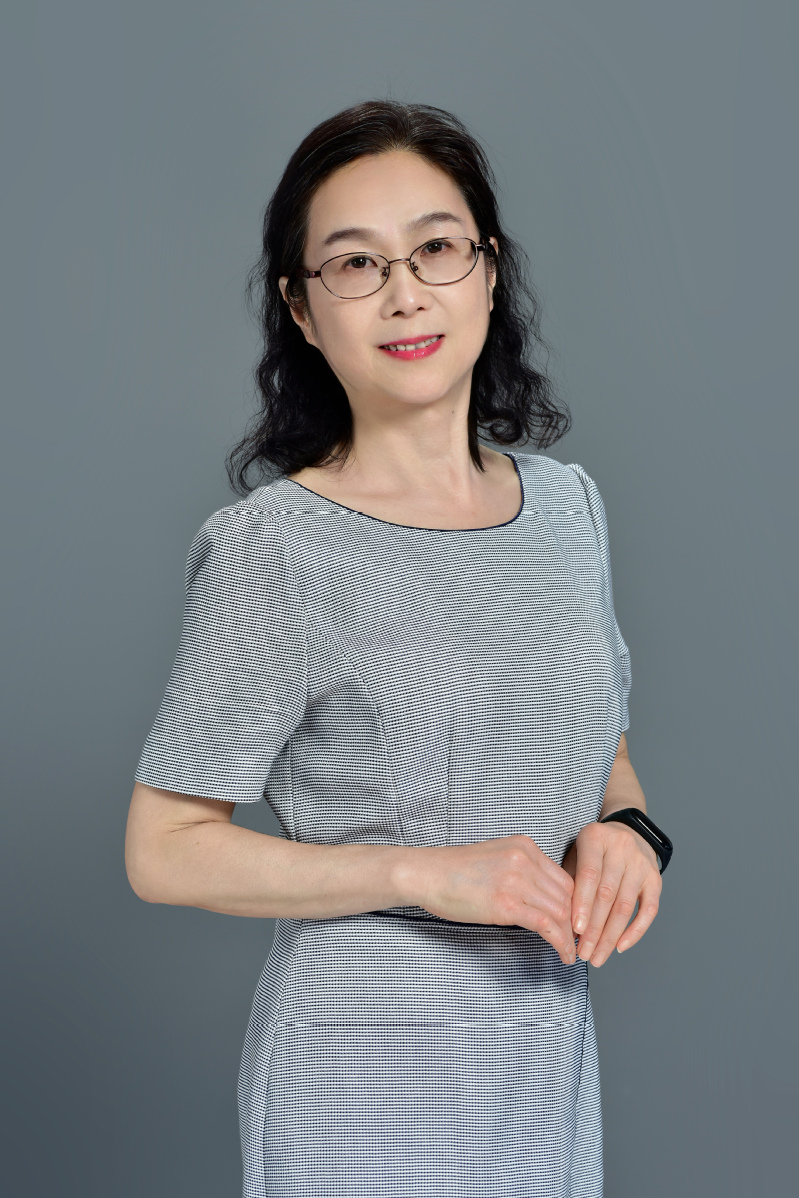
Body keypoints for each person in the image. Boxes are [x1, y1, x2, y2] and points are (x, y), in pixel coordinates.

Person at [125, 99, 671, 1198]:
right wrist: (423, 871)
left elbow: (599, 744)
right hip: (362, 1077)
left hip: (542, 1060)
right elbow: (164, 849)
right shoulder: (274, 548)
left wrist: (628, 830)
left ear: (488, 270)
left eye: (435, 248)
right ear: (302, 308)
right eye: (355, 264)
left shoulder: (568, 509)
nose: (405, 292)